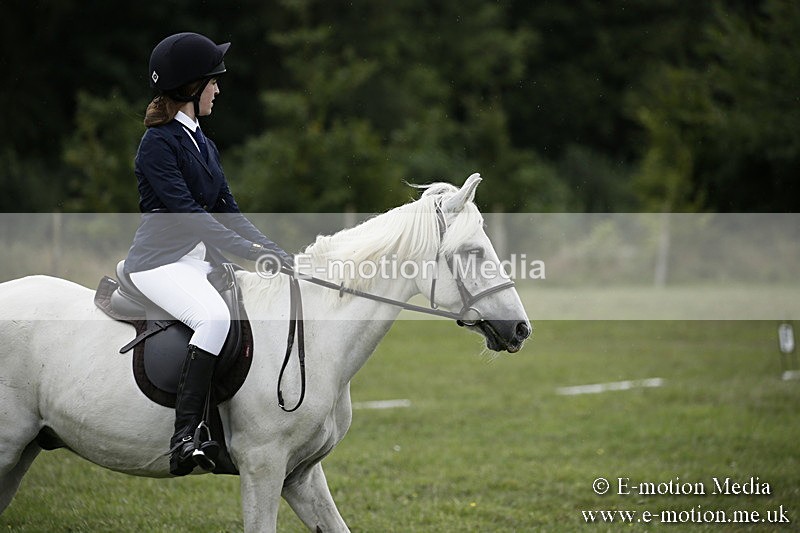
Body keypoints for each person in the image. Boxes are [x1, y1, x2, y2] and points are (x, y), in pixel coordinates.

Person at [123, 32, 292, 476]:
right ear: (190, 88)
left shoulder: (203, 142)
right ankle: (185, 438)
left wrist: (274, 251)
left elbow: (228, 211)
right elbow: (190, 216)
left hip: (196, 264)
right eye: (212, 82)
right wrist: (249, 256)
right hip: (158, 264)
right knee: (214, 319)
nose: (218, 89)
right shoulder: (157, 145)